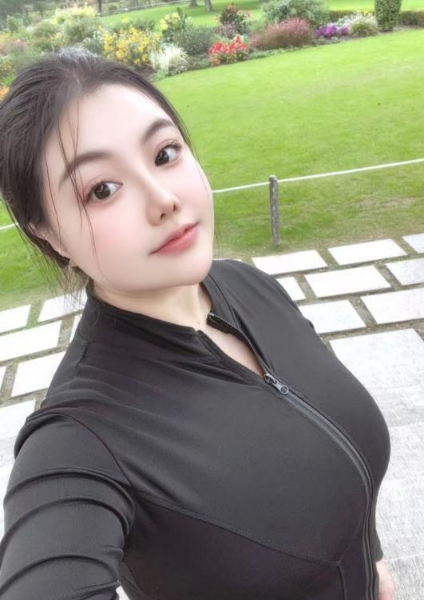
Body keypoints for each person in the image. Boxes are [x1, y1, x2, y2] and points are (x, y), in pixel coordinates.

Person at [0, 47, 395, 600]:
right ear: (49, 235)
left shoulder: (250, 285)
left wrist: (371, 561)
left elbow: (344, 459)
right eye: (102, 189)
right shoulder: (80, 438)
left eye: (165, 153)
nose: (163, 199)